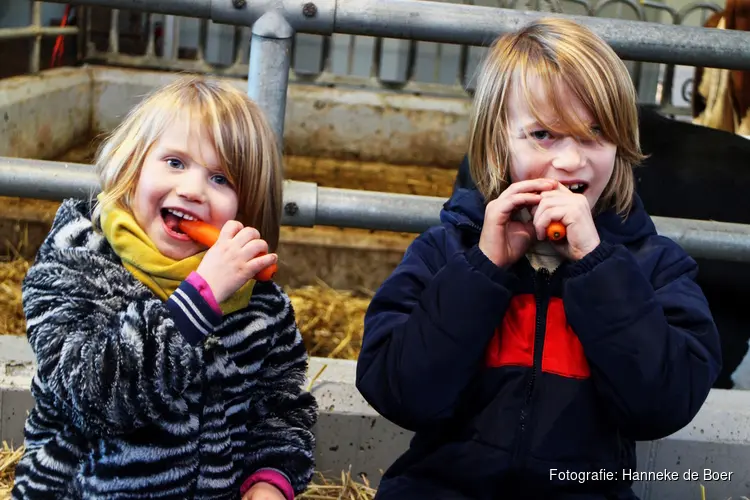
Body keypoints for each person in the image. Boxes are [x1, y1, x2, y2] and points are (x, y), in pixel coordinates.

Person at [355, 17, 721, 500]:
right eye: (544, 134)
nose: (571, 161)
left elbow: (662, 406)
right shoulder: (447, 251)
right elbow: (399, 392)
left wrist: (596, 265)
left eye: (594, 132)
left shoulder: (654, 266)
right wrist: (482, 269)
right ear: (497, 143)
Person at [12, 76, 318, 500]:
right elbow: (93, 398)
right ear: (132, 167)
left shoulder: (260, 305)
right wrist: (200, 299)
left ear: (247, 207)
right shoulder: (76, 266)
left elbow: (279, 409)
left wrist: (269, 479)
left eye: (221, 179)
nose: (191, 190)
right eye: (175, 162)